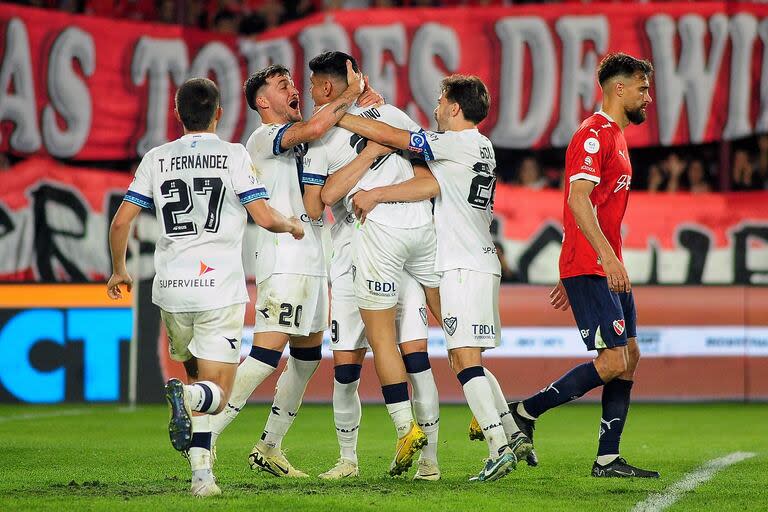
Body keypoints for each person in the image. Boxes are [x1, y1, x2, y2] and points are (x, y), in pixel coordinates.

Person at [106, 78, 303, 496]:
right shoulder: (233, 155)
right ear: (218, 113)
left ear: (177, 114)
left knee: (195, 371)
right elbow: (265, 218)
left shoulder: (156, 158)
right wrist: (291, 225)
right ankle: (190, 401)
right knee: (216, 390)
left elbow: (122, 221)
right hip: (218, 288)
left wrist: (119, 270)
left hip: (172, 290)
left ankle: (202, 478)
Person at [337, 74, 532, 482]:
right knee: (471, 356)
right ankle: (513, 433)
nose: (436, 108)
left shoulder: (452, 143)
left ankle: (497, 447)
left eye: (441, 102)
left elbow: (395, 135)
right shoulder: (483, 145)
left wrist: (342, 116)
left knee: (462, 360)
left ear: (456, 108)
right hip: (482, 261)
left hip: (461, 265)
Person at [206, 61, 366, 478]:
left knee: (308, 357)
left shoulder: (303, 139)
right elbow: (314, 130)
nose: (294, 89)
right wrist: (350, 93)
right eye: (283, 85)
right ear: (263, 101)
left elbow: (330, 134)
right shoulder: (262, 139)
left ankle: (270, 446)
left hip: (315, 255)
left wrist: (367, 107)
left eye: (293, 82)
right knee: (264, 355)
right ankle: (205, 433)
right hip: (285, 256)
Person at [514, 52, 660, 478]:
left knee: (629, 355)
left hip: (601, 264)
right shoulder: (593, 134)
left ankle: (607, 458)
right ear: (619, 88)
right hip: (598, 265)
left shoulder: (615, 136)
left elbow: (586, 205)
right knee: (613, 360)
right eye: (642, 88)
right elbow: (577, 199)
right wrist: (595, 259)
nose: (648, 97)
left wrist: (576, 259)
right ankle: (525, 411)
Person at [298, 51, 441, 480]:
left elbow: (428, 177)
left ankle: (428, 460)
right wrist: (371, 153)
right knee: (346, 367)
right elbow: (324, 199)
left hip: (397, 251)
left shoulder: (391, 115)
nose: (308, 91)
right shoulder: (319, 138)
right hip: (348, 256)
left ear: (326, 87)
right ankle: (348, 460)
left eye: (311, 84)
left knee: (416, 357)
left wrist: (380, 191)